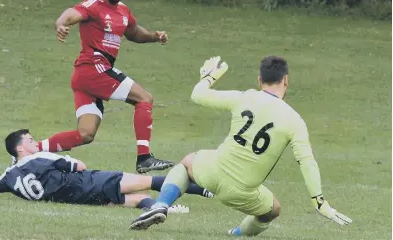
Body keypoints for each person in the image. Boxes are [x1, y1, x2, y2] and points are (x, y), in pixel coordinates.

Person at [129, 56, 352, 235]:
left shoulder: (244, 97)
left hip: (212, 173)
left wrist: (209, 77)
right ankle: (236, 233)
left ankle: (161, 205)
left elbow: (197, 95)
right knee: (273, 210)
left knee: (188, 162)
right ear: (286, 80)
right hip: (242, 192)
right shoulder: (294, 120)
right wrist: (318, 201)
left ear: (259, 80)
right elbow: (307, 162)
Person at [31, 0, 173, 174]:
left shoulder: (123, 11)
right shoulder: (93, 5)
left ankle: (29, 151)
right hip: (93, 68)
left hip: (86, 77)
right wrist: (60, 24)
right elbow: (71, 13)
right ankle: (144, 158)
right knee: (144, 98)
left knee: (86, 134)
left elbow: (133, 33)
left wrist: (155, 36)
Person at [0, 129, 213, 211]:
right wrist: (63, 158)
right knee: (148, 181)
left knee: (131, 201)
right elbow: (80, 166)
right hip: (87, 182)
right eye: (30, 140)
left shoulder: (8, 177)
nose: (35, 142)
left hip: (77, 200)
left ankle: (162, 208)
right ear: (20, 149)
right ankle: (203, 191)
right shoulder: (41, 157)